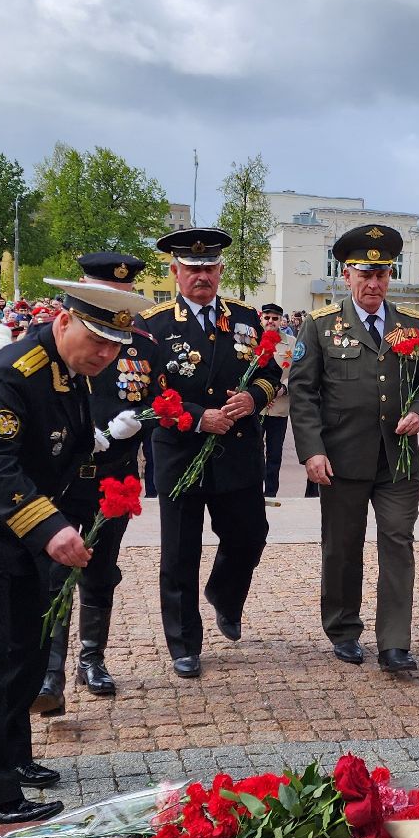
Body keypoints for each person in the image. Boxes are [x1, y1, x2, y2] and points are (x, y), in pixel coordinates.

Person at [0, 276, 152, 826]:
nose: (106, 354)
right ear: (63, 320)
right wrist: (52, 529)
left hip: (22, 531)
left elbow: (60, 452)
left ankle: (13, 757)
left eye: (116, 344)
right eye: (97, 339)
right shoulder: (8, 374)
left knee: (27, 645)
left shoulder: (73, 371)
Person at [290, 224, 419, 673]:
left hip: (398, 460)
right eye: (365, 274)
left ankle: (394, 642)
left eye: (382, 274)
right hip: (341, 458)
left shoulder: (413, 326)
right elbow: (304, 393)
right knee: (342, 547)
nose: (374, 284)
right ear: (346, 275)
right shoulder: (320, 327)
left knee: (398, 543)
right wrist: (312, 451)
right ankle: (343, 627)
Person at [137, 232, 280, 679]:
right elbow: (145, 388)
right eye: (192, 269)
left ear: (220, 272)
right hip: (182, 452)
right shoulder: (154, 324)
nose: (202, 276)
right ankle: (184, 642)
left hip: (236, 451)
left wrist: (253, 398)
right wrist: (199, 416)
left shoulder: (244, 318)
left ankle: (224, 594)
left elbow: (271, 371)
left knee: (250, 533)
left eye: (209, 268)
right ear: (175, 272)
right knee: (180, 550)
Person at [33, 254, 157, 709]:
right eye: (102, 288)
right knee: (56, 569)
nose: (113, 300)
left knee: (101, 569)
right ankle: (50, 673)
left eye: (121, 293)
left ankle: (92, 658)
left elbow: (162, 400)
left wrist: (136, 422)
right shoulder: (53, 340)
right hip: (63, 478)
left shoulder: (142, 344)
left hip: (114, 477)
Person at [258, 302, 292, 498]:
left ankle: (270, 492)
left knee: (274, 454)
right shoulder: (252, 339)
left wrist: (282, 388)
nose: (271, 321)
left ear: (281, 320)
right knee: (254, 451)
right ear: (262, 318)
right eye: (267, 318)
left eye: (275, 318)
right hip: (257, 406)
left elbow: (299, 371)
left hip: (279, 406)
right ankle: (254, 490)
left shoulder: (292, 342)